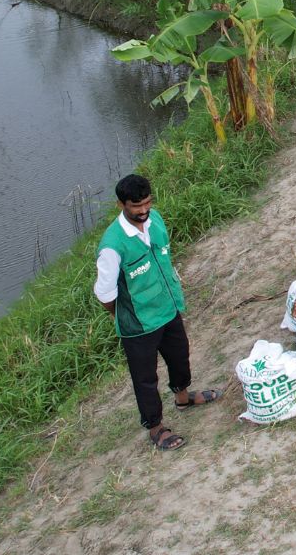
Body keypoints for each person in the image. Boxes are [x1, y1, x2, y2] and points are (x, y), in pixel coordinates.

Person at [93, 174, 218, 451]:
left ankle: (183, 398)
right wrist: (124, 316)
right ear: (121, 205)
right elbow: (104, 294)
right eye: (136, 206)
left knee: (179, 355)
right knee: (145, 378)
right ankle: (156, 428)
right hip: (138, 325)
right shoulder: (112, 247)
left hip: (168, 307)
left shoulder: (155, 220)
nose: (143, 210)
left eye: (147, 202)